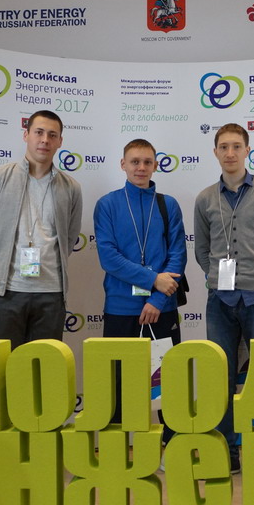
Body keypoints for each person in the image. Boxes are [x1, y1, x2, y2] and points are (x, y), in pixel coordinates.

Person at [193, 123, 254, 473]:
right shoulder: (205, 199)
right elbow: (202, 251)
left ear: (247, 151)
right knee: (219, 376)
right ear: (215, 152)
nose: (230, 152)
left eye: (237, 146)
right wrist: (218, 281)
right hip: (219, 302)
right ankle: (228, 450)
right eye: (224, 146)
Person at [93, 139, 186, 425]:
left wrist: (157, 299)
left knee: (167, 385)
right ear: (123, 164)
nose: (141, 167)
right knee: (118, 386)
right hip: (121, 309)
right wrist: (153, 279)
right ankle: (119, 447)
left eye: (147, 162)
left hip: (161, 308)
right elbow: (109, 257)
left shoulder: (168, 205)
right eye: (135, 161)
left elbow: (177, 255)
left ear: (155, 165)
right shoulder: (107, 204)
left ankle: (172, 444)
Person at [0, 110, 82, 348]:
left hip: (51, 293)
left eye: (52, 135)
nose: (45, 140)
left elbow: (69, 238)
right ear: (26, 135)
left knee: (43, 366)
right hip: (6, 292)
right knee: (2, 365)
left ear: (60, 141)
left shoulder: (71, 188)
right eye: (39, 132)